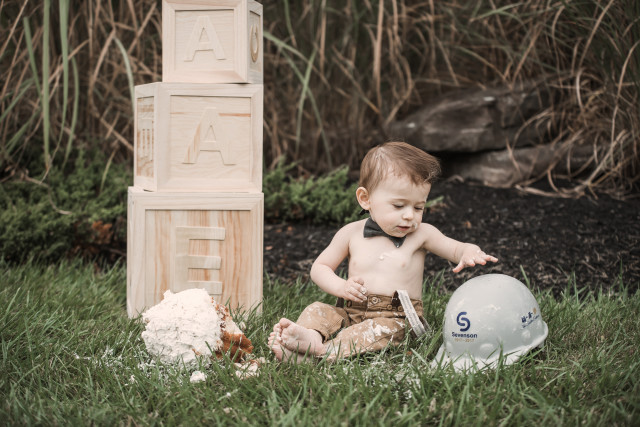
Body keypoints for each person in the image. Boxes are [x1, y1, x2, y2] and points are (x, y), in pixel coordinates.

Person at [268, 141, 498, 362]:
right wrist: (341, 287)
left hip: (397, 319)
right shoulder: (351, 233)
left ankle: (321, 352)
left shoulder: (423, 234)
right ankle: (311, 337)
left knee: (372, 331)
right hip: (352, 312)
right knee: (318, 310)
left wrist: (469, 251)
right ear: (365, 199)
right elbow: (320, 267)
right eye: (399, 205)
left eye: (419, 207)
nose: (409, 215)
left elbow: (455, 248)